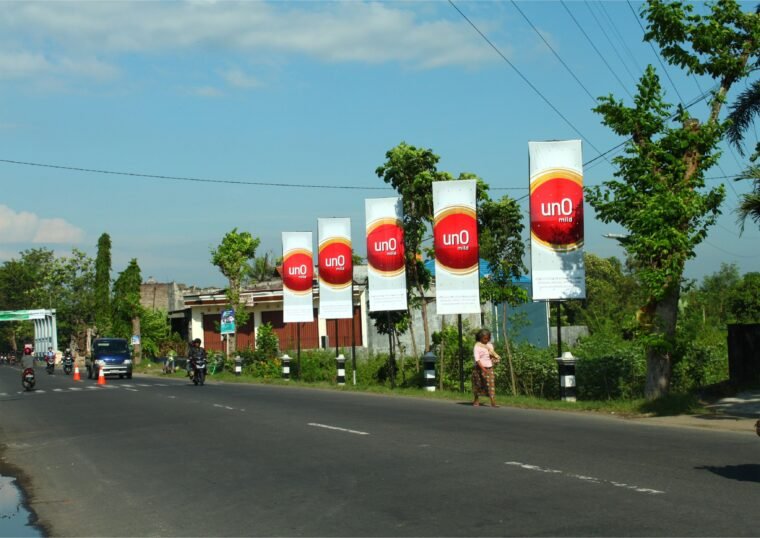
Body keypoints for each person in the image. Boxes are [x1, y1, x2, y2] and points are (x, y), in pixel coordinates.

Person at [472, 328, 501, 408]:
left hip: (489, 368)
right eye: (485, 338)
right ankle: (476, 400)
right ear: (480, 338)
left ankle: (493, 402)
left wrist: (495, 358)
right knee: (478, 384)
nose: (486, 340)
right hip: (479, 368)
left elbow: (490, 355)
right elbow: (477, 360)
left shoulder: (490, 345)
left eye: (488, 338)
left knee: (491, 385)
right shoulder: (477, 346)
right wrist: (483, 369)